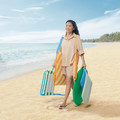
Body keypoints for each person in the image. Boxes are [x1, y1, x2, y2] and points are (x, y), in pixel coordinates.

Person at [52, 20, 86, 109]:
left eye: (70, 26)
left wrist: (83, 62)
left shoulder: (76, 38)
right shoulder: (62, 38)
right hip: (63, 63)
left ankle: (64, 102)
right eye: (66, 25)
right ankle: (77, 97)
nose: (67, 27)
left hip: (72, 63)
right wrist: (55, 62)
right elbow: (59, 52)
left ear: (73, 27)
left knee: (68, 81)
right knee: (71, 82)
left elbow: (80, 50)